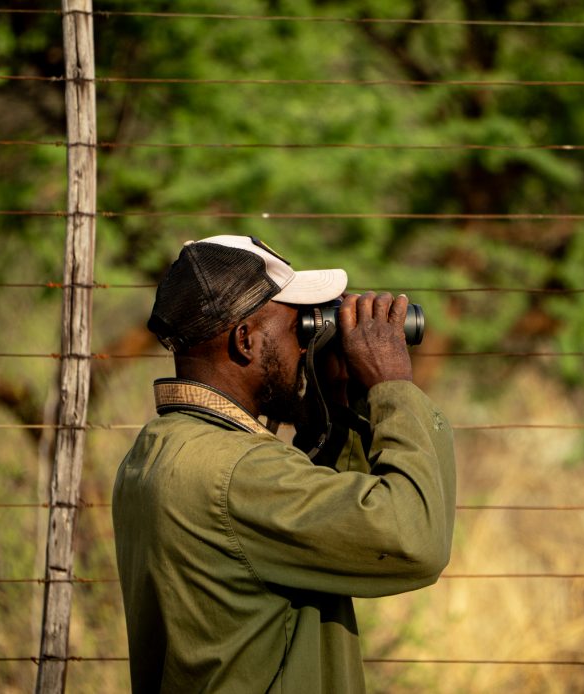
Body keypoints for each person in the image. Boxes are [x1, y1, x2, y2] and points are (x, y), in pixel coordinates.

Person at [112, 235, 456, 693]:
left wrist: (338, 401)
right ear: (245, 340)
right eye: (299, 328)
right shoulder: (239, 473)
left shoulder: (154, 451)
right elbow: (414, 539)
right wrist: (391, 386)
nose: (304, 346)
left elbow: (334, 526)